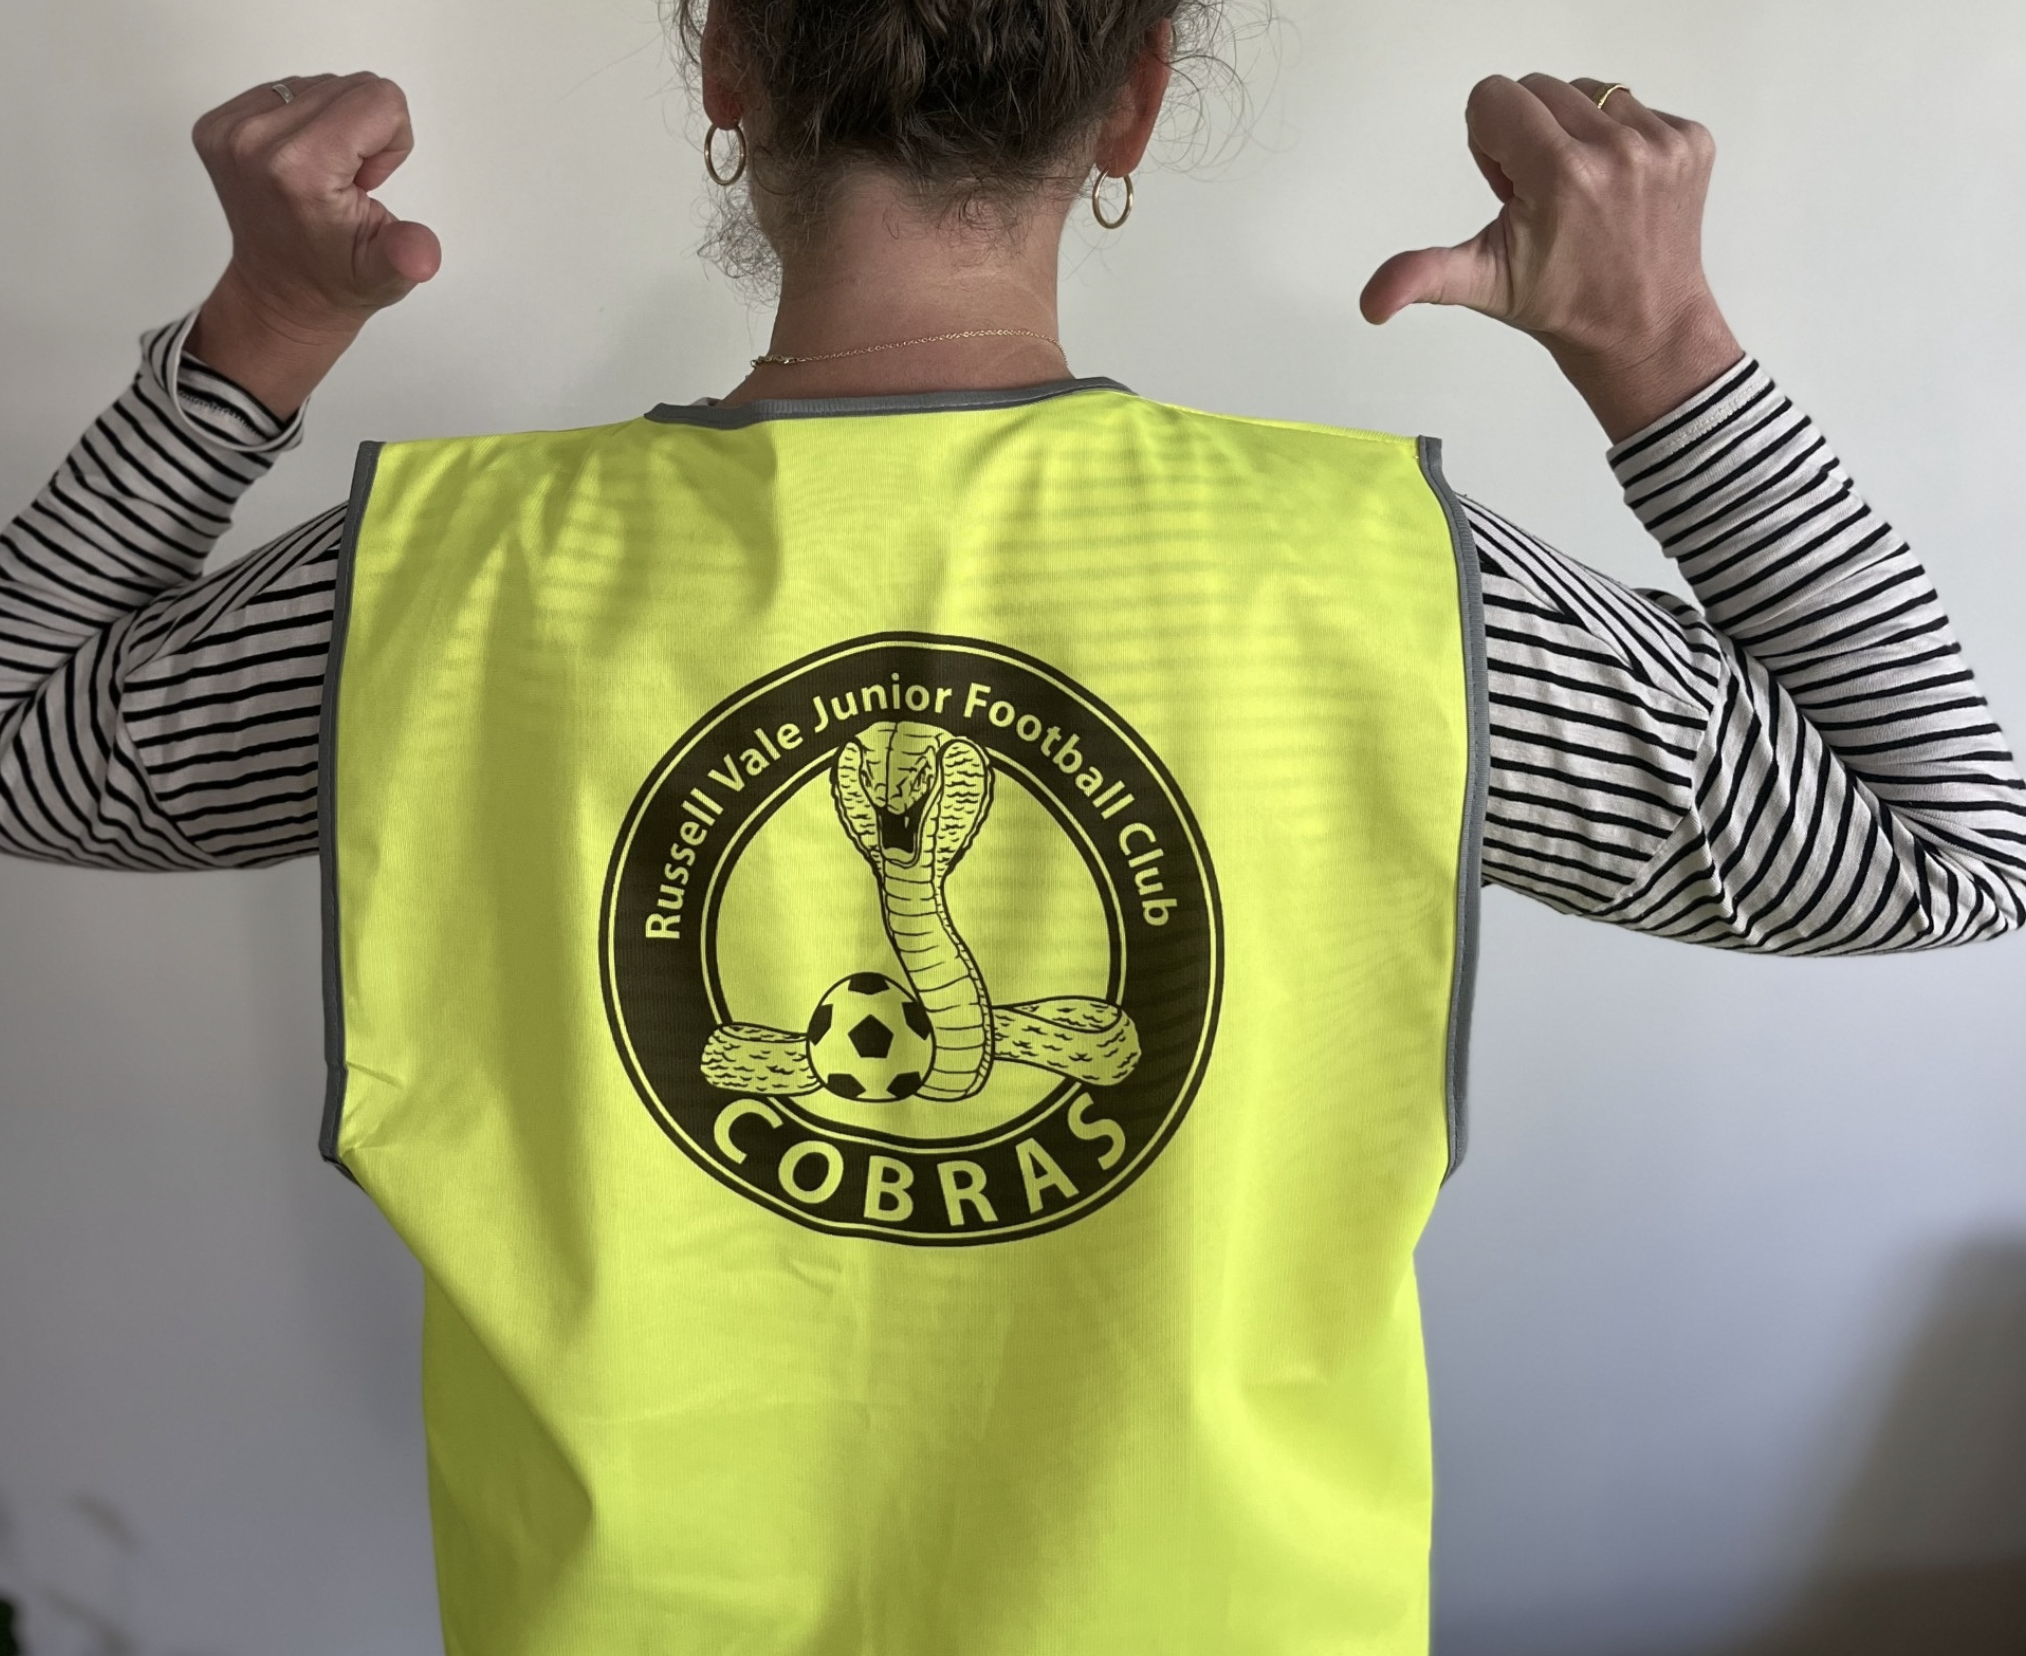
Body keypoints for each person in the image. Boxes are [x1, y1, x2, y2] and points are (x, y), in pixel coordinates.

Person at [1, 4, 2019, 1652]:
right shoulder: (1378, 582)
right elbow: (1949, 844)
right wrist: (1656, 350)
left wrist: (256, 331)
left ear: (721, 74)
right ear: (1134, 103)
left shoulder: (440, 584)